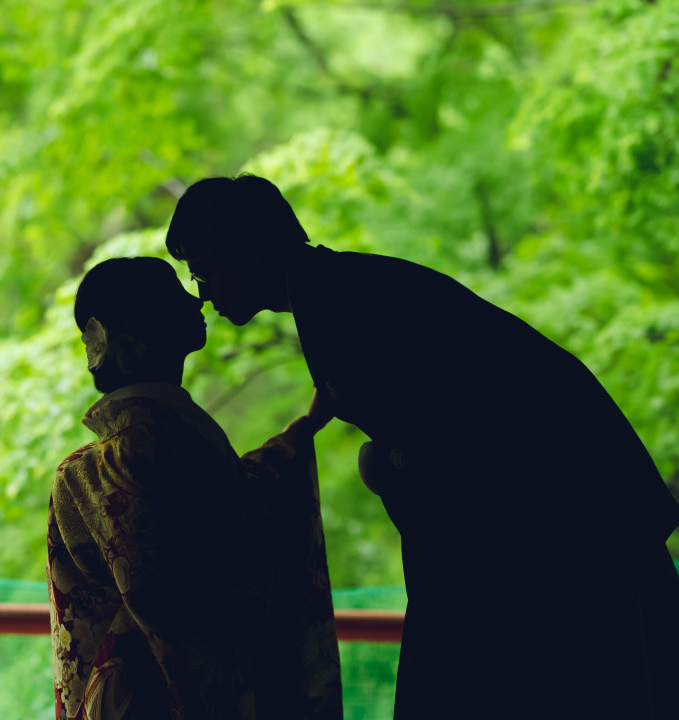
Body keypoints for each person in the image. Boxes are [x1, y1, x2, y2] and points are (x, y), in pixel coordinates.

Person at [165, 174, 679, 719]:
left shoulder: (336, 305)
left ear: (250, 249)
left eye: (201, 270)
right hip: (576, 503)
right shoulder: (337, 287)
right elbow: (361, 382)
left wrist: (385, 465)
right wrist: (306, 430)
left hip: (566, 522)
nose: (203, 294)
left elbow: (442, 432)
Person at [47, 256, 342, 720]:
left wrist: (304, 429)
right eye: (171, 295)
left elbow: (237, 502)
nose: (197, 297)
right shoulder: (121, 464)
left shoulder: (105, 468)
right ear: (129, 350)